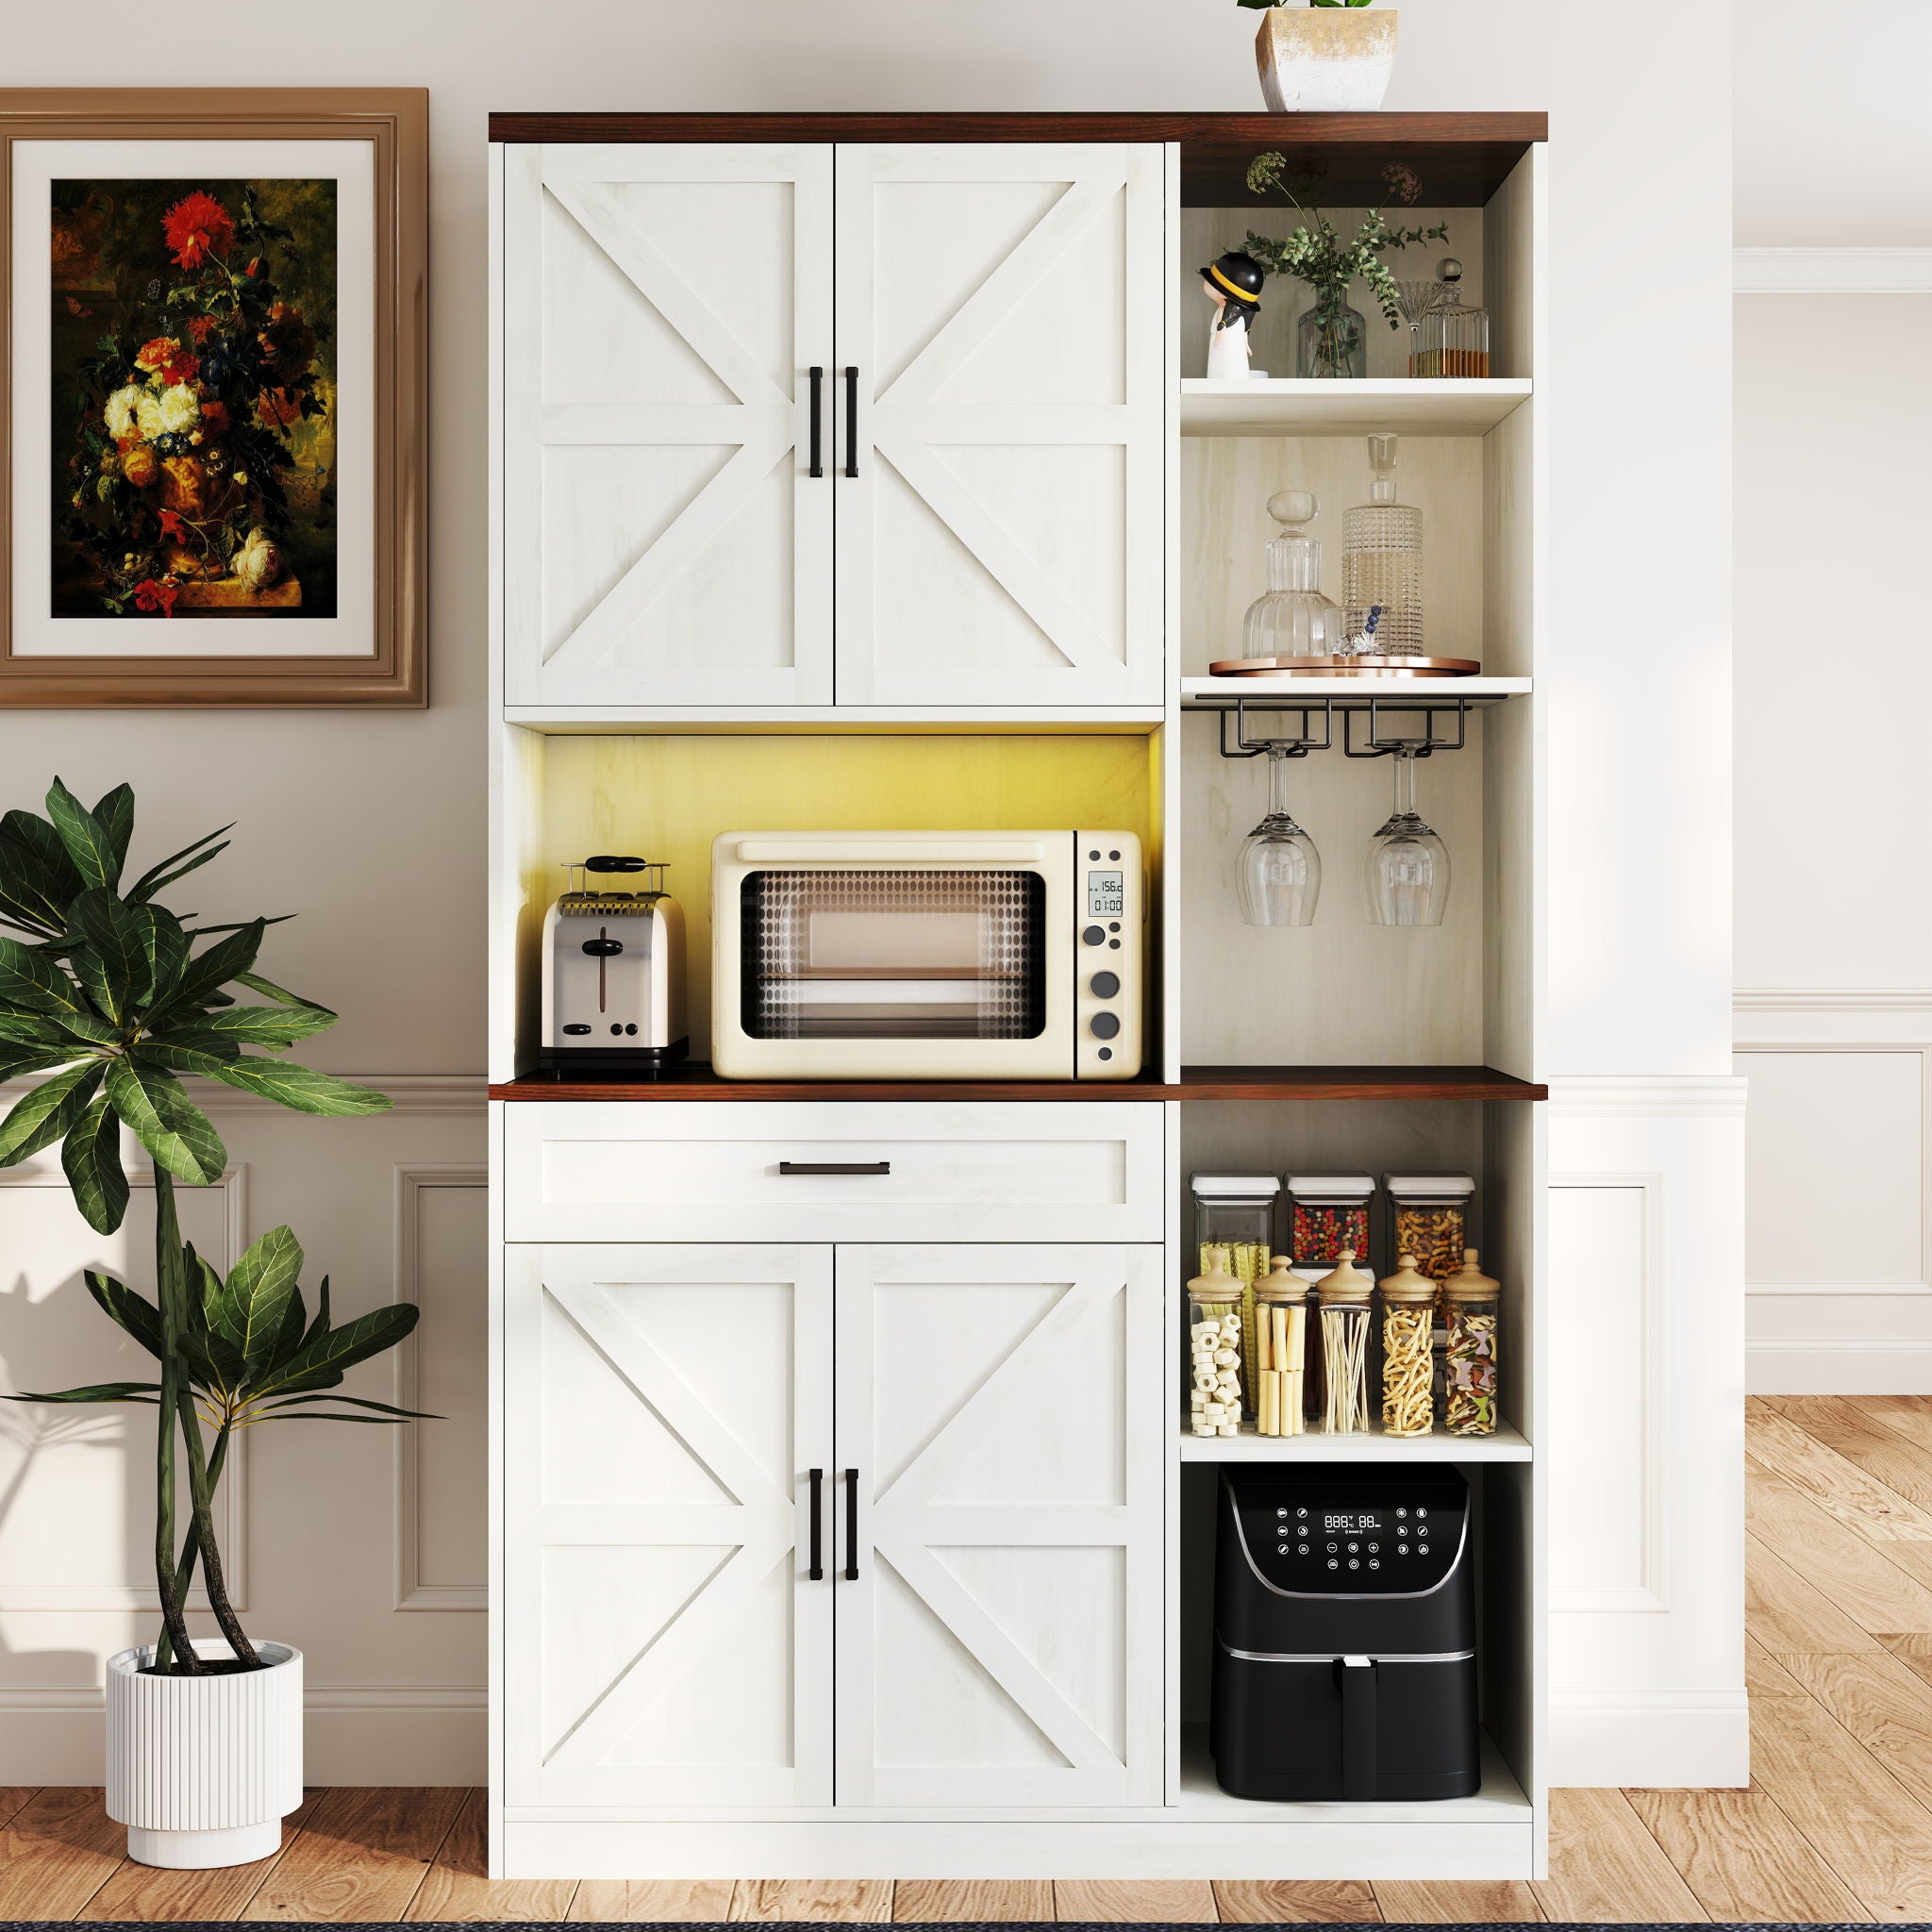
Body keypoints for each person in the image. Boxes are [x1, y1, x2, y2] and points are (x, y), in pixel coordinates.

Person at [1201, 251, 1266, 378]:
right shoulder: (1240, 317)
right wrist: (1245, 345)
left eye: (1211, 282)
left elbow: (1221, 328)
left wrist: (1218, 341)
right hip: (1236, 363)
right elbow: (1245, 332)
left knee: (1223, 371)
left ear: (1222, 293)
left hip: (1222, 361)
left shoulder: (1223, 312)